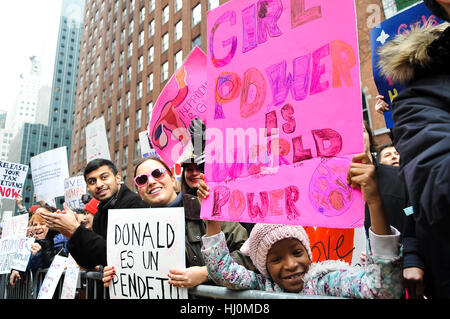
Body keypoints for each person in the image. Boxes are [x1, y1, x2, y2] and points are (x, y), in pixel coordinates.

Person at [199, 153, 403, 298]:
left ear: (308, 252)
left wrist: (375, 203)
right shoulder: (262, 286)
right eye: (276, 259)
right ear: (264, 267)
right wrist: (212, 219)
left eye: (297, 252)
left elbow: (382, 289)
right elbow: (221, 271)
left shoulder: (325, 282)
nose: (290, 265)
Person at [377, 1, 450, 298]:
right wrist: (412, 254)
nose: (393, 156)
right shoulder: (419, 103)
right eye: (389, 154)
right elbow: (413, 210)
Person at [102, 156, 254, 290]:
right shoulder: (133, 228)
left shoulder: (205, 208)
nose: (152, 182)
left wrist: (205, 273)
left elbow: (248, 254)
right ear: (139, 192)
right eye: (142, 180)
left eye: (157, 173)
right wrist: (117, 274)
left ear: (173, 179)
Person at [39, 158, 149, 270]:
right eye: (92, 181)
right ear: (88, 187)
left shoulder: (134, 204)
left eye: (104, 177)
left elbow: (117, 255)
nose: (99, 184)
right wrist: (70, 234)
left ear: (117, 178)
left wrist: (76, 230)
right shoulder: (99, 214)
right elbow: (89, 262)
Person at [10, 205, 68, 286]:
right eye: (34, 224)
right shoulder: (30, 243)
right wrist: (16, 269)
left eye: (42, 224)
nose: (37, 227)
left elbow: (53, 266)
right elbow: (30, 265)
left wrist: (41, 251)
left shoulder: (61, 241)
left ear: (51, 225)